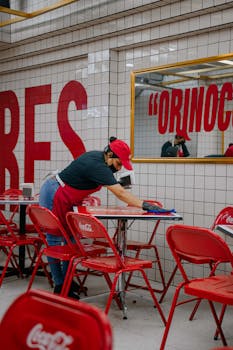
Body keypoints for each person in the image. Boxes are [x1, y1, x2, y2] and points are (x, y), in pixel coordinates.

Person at [39, 136, 170, 298]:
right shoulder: (97, 165)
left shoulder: (101, 161)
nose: (119, 167)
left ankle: (67, 281)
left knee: (71, 240)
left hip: (67, 196)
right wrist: (145, 205)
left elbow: (110, 185)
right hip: (55, 192)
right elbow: (120, 193)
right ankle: (59, 285)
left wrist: (120, 185)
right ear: (110, 155)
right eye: (119, 163)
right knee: (54, 239)